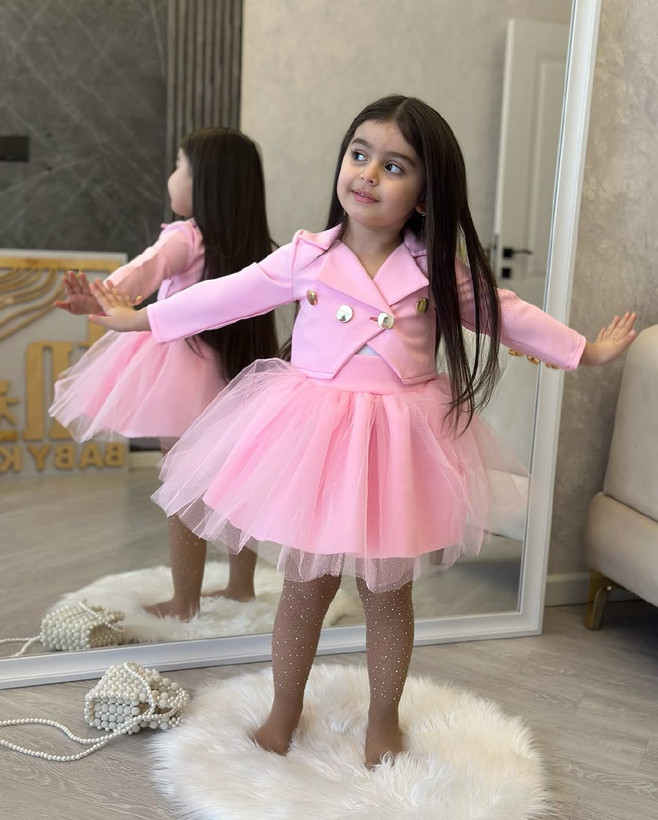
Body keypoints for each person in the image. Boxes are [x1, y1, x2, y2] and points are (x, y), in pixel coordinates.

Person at [87, 96, 637, 766]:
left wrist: (584, 350)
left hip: (398, 444)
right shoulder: (307, 256)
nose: (368, 174)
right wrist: (139, 317)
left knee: (387, 591)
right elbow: (224, 294)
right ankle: (283, 709)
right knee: (305, 586)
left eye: (394, 165)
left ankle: (383, 719)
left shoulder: (434, 268)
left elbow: (507, 313)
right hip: (316, 436)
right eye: (359, 154)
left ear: (425, 194)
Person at [50, 127, 279, 621]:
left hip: (182, 378)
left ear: (206, 183)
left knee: (182, 487)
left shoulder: (184, 236)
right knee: (236, 484)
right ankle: (241, 587)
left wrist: (103, 296)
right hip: (238, 375)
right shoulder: (257, 246)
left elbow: (145, 270)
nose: (172, 176)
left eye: (180, 166)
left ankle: (184, 599)